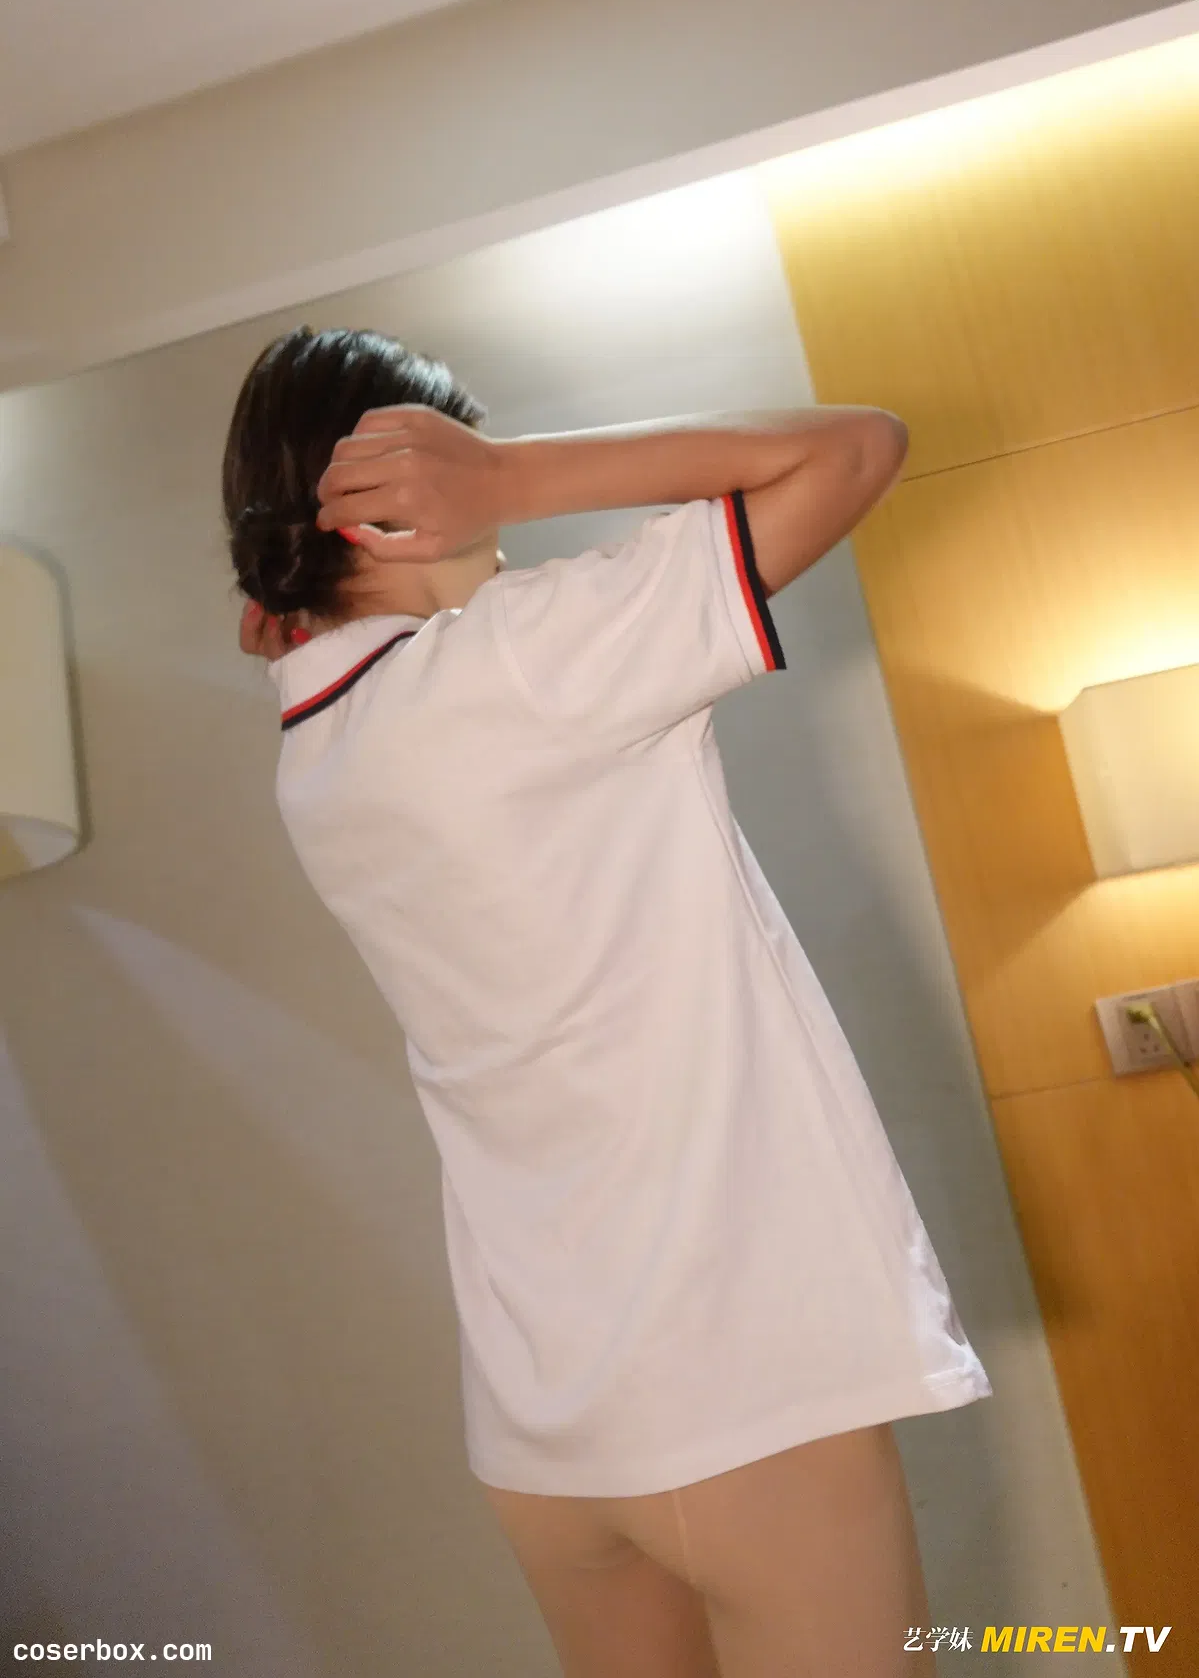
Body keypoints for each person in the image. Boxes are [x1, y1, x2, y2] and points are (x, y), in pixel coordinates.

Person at [226, 325, 991, 1678]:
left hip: (543, 1432)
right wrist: (513, 478)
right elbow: (857, 448)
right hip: (731, 1386)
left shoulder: (316, 748)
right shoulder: (520, 662)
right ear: (401, 489)